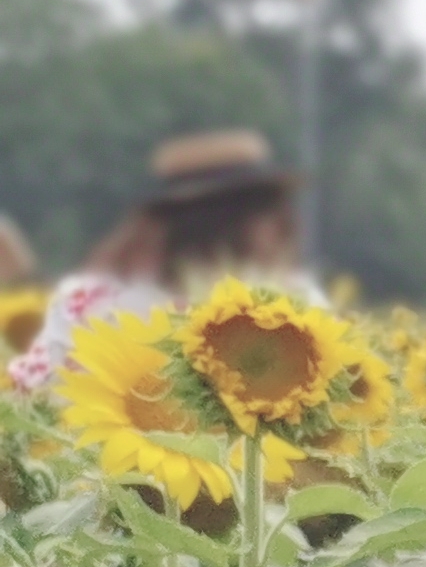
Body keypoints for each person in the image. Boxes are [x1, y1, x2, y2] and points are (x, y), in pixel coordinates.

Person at [12, 129, 308, 387]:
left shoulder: (298, 299)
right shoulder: (96, 303)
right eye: (267, 211)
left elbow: (32, 398)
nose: (280, 227)